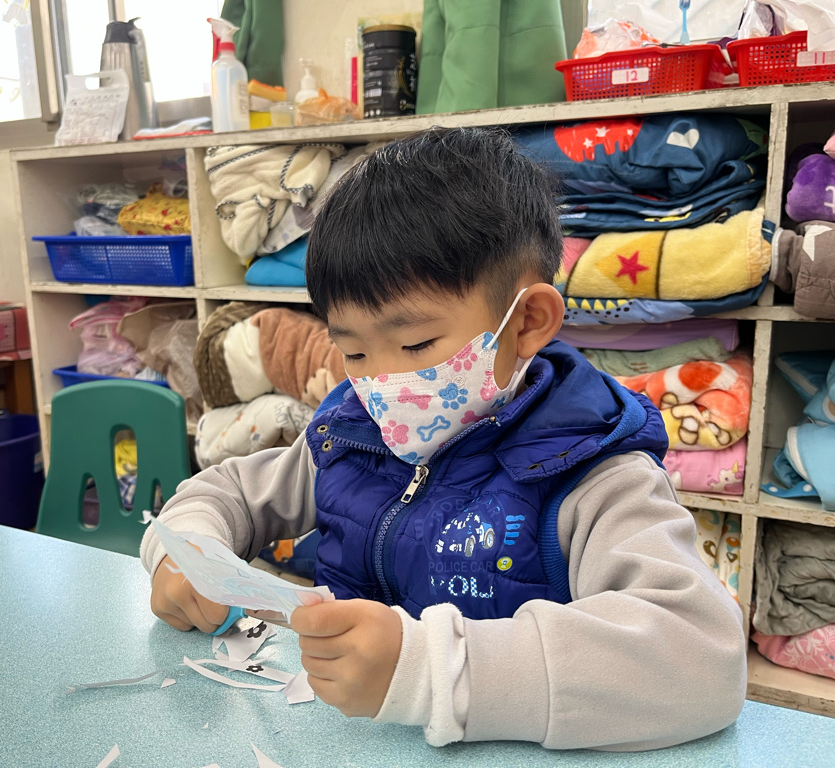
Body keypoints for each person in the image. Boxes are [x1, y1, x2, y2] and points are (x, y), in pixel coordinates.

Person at [142, 127, 746, 751]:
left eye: (415, 345)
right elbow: (225, 492)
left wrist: (433, 671)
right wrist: (186, 553)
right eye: (354, 352)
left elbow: (702, 657)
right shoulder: (352, 433)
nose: (381, 383)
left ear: (528, 321)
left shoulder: (593, 473)